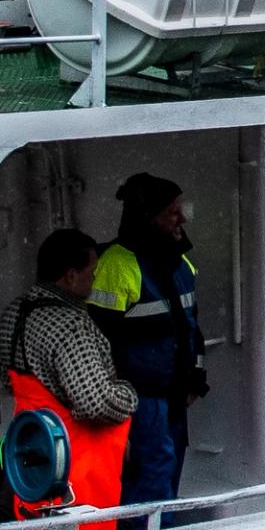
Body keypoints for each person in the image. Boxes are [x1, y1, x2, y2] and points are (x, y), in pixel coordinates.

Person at [0, 228, 134, 530]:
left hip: (33, 457)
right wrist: (128, 395)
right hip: (76, 466)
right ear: (71, 276)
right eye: (93, 271)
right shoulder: (71, 325)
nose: (96, 280)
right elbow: (95, 405)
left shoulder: (13, 315)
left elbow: (9, 381)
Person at [93, 171, 208, 506]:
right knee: (146, 487)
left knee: (165, 483)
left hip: (172, 399)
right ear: (148, 217)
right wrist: (114, 406)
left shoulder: (180, 262)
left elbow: (191, 328)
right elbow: (102, 339)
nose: (182, 218)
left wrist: (195, 380)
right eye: (172, 211)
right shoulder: (117, 265)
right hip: (139, 402)